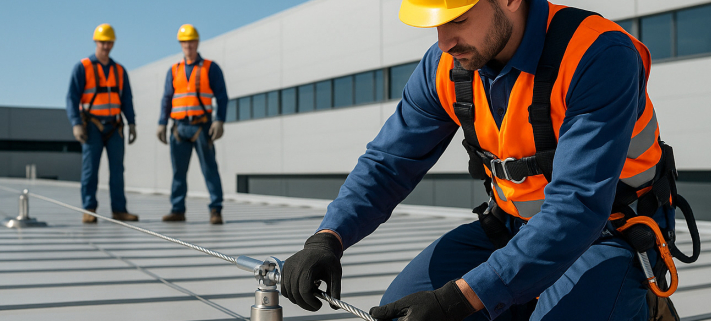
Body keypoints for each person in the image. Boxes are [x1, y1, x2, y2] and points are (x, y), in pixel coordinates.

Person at [280, 0, 687, 320]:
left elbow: (577, 207)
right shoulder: (446, 66)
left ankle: (639, 304)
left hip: (607, 232)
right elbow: (389, 162)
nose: (444, 41)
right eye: (437, 24)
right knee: (401, 308)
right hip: (509, 227)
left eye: (458, 19)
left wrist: (461, 298)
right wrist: (328, 237)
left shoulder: (597, 54)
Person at [66, 23, 138, 224]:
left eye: (109, 43)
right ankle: (89, 209)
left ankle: (119, 210)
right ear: (96, 42)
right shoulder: (83, 68)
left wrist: (132, 123)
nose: (106, 46)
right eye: (103, 42)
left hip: (115, 127)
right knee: (90, 169)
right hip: (92, 126)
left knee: (117, 171)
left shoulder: (119, 70)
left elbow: (126, 99)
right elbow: (72, 97)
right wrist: (76, 123)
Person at [158, 24, 228, 225]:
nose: (188, 45)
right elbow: (167, 98)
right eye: (185, 42)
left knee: (209, 169)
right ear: (181, 44)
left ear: (197, 42)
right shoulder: (174, 70)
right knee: (178, 172)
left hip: (202, 127)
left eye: (191, 41)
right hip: (178, 128)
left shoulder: (210, 68)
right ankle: (177, 210)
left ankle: (216, 209)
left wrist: (219, 120)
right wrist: (162, 123)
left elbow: (222, 96)